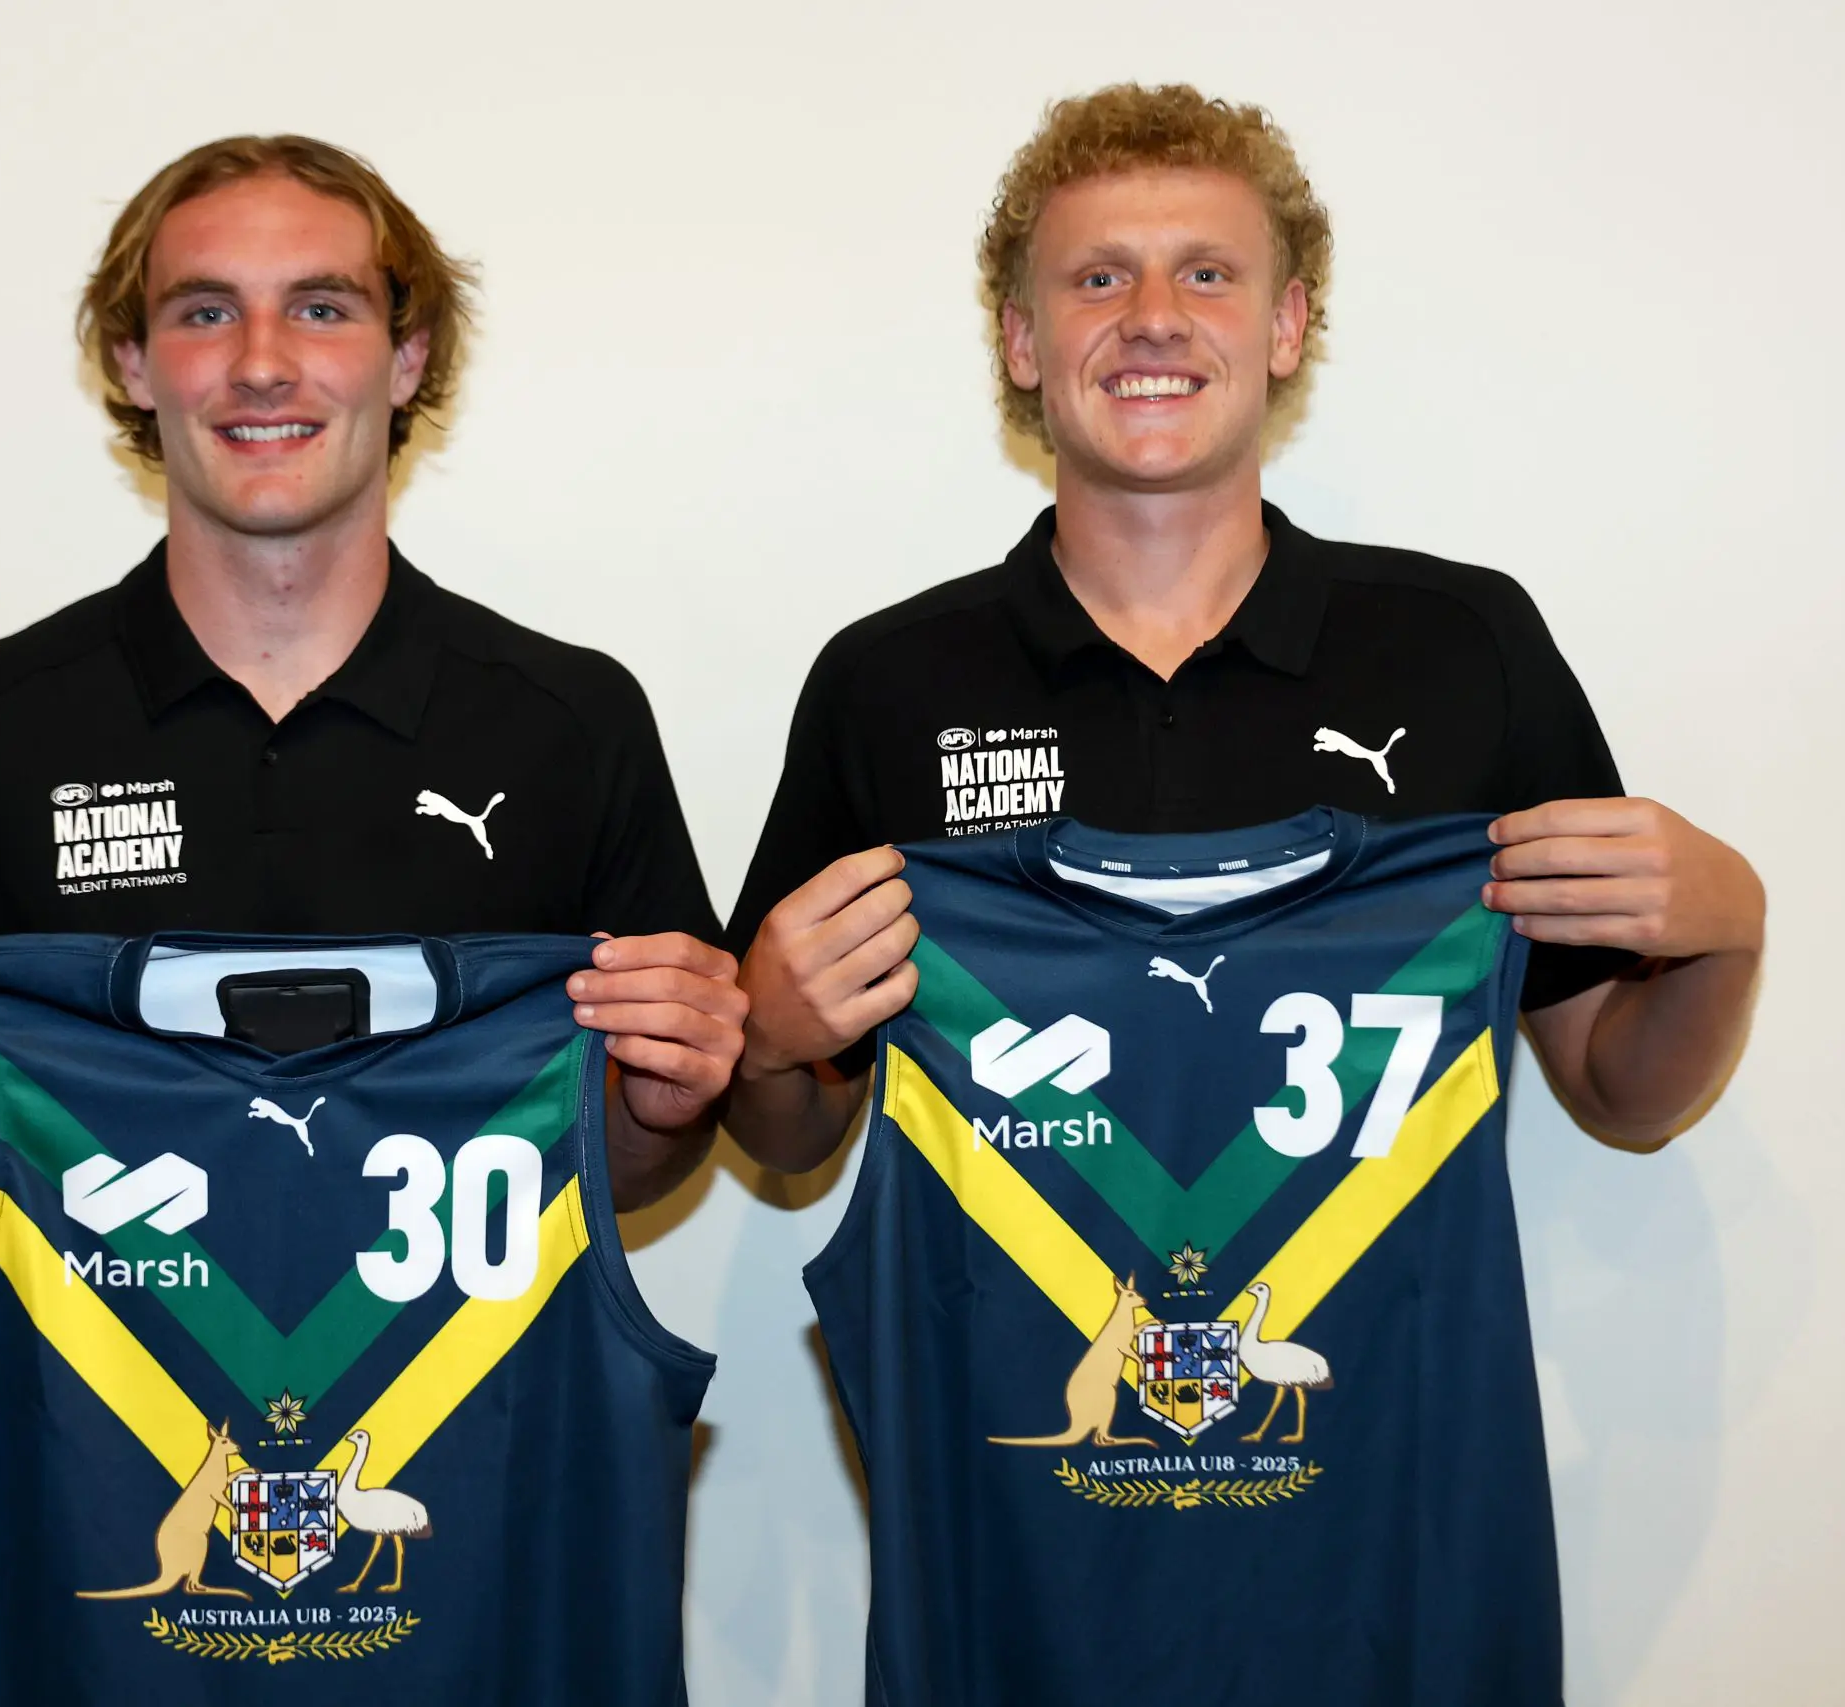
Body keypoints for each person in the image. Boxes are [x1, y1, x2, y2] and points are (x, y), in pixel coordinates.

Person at [725, 83, 1763, 1170]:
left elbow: (1617, 1092)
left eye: (1207, 274)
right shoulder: (887, 681)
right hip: (1000, 1342)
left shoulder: (1464, 646)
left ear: (1284, 326)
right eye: (1099, 277)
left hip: (1381, 1343)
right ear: (1022, 342)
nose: (1155, 315)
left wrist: (1726, 935)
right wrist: (765, 1048)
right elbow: (790, 1142)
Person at [0, 134, 745, 1227]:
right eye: (204, 311)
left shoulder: (569, 719)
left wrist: (662, 1109)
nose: (261, 362)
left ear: (410, 355)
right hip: (97, 1399)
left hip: (476, 1398)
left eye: (321, 308)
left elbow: (614, 1168)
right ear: (134, 363)